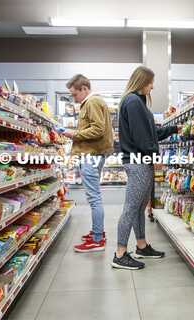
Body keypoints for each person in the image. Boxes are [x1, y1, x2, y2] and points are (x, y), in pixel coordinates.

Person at [112, 66, 181, 270]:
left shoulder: (136, 102)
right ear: (141, 81)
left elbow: (150, 133)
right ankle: (120, 254)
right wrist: (154, 156)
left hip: (140, 160)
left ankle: (141, 246)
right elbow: (142, 138)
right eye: (150, 81)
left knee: (140, 207)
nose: (153, 85)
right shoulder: (133, 102)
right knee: (131, 208)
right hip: (139, 162)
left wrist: (176, 128)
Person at [62, 74, 114, 252]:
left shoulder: (91, 102)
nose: (74, 99)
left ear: (84, 88)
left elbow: (98, 129)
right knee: (94, 198)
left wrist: (73, 134)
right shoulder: (92, 102)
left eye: (75, 95)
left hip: (91, 155)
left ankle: (97, 240)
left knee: (94, 199)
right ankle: (98, 233)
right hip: (92, 154)